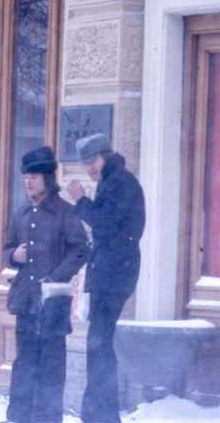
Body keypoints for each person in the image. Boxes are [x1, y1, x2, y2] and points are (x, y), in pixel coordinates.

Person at [3, 146, 88, 423]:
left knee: (51, 367)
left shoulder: (66, 213)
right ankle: (18, 418)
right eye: (25, 177)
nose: (28, 182)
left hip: (52, 303)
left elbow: (79, 250)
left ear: (49, 180)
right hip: (26, 301)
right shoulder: (21, 214)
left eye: (35, 177)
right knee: (24, 365)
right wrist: (13, 256)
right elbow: (7, 248)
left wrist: (57, 275)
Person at [67, 134, 145, 423]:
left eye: (91, 162)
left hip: (114, 275)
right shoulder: (113, 181)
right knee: (98, 343)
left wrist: (81, 201)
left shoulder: (120, 182)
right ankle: (100, 413)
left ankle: (99, 415)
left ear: (105, 156)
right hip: (110, 273)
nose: (88, 168)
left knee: (98, 344)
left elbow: (108, 224)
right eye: (85, 163)